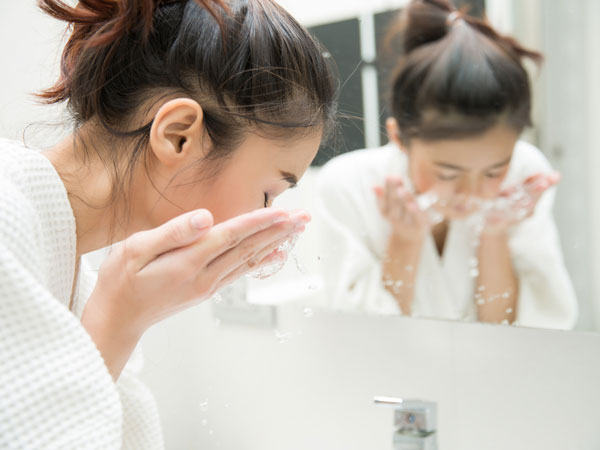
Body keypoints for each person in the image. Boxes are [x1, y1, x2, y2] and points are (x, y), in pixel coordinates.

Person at [0, 0, 336, 448]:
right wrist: (118, 320)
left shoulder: (81, 274)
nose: (266, 224)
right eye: (268, 194)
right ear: (178, 135)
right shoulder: (8, 216)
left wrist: (124, 317)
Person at [315, 0, 577, 329]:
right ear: (399, 138)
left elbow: (517, 332)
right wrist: (406, 238)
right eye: (447, 173)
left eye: (495, 170)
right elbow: (364, 335)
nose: (472, 191)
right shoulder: (347, 184)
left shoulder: (524, 171)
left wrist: (494, 232)